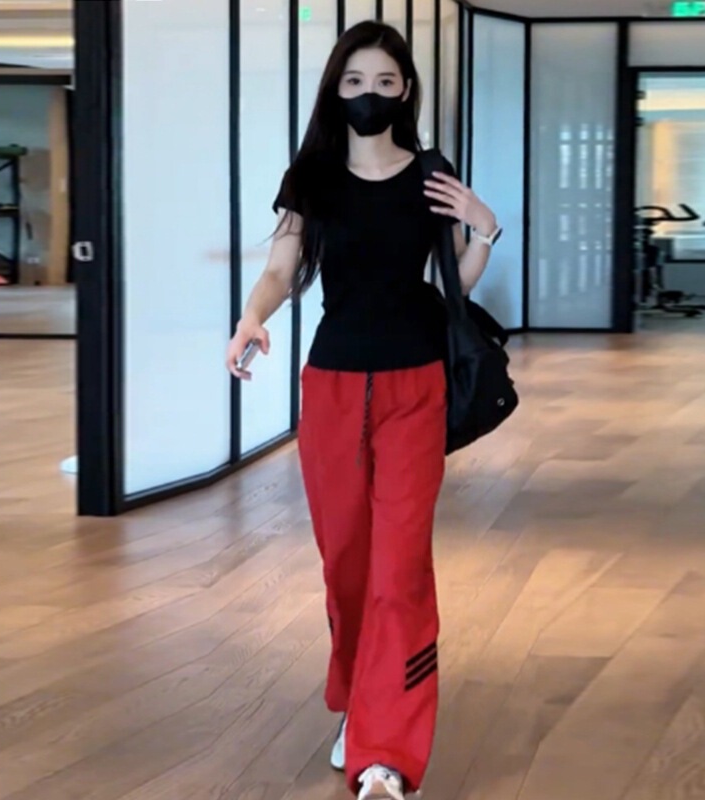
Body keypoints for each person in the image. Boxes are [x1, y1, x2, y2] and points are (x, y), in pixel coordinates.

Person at [226, 21, 500, 800]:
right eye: (354, 82)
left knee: (399, 571)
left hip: (416, 386)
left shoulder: (432, 175)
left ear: (405, 90)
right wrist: (252, 318)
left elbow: (453, 285)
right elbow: (282, 266)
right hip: (334, 388)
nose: (369, 95)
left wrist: (485, 230)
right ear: (335, 90)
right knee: (347, 566)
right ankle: (361, 700)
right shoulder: (312, 178)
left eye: (384, 82)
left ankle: (388, 752)